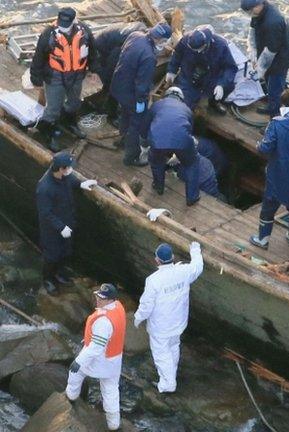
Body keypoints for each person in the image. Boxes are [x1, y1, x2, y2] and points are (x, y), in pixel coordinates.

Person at [134, 241, 203, 394]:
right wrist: (195, 249)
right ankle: (171, 375)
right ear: (173, 257)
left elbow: (146, 305)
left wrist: (138, 318)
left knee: (161, 354)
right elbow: (198, 266)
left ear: (157, 260)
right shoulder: (184, 271)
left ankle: (167, 384)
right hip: (178, 322)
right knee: (173, 347)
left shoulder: (153, 280)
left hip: (160, 327)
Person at [249, 89, 289, 249]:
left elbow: (265, 148)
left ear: (283, 104)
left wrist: (259, 144)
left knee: (269, 205)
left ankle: (263, 239)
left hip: (280, 171)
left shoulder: (277, 123)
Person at [30, 7, 100, 150]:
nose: (63, 26)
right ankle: (48, 132)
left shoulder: (84, 31)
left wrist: (94, 70)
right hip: (55, 76)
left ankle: (69, 122)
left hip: (77, 75)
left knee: (74, 103)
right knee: (53, 109)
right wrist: (35, 80)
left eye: (66, 24)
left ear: (74, 20)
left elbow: (92, 51)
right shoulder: (48, 34)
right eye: (61, 23)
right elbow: (38, 58)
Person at [110, 22, 172, 167]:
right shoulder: (149, 57)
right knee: (135, 125)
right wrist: (141, 102)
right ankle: (131, 157)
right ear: (161, 40)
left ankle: (122, 139)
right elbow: (142, 84)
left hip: (118, 85)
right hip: (132, 94)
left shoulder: (135, 35)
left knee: (124, 114)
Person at [66, 283, 126, 431]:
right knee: (111, 389)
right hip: (114, 358)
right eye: (98, 296)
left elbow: (95, 347)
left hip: (100, 359)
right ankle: (113, 424)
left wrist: (78, 361)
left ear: (111, 300)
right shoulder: (119, 307)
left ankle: (71, 397)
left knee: (76, 372)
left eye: (102, 298)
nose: (98, 299)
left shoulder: (104, 322)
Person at [35, 151, 97, 294]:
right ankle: (48, 279)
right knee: (52, 255)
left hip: (68, 221)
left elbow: (72, 181)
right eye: (68, 167)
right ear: (60, 169)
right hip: (52, 229)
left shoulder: (65, 177)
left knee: (66, 251)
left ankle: (59, 273)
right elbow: (45, 213)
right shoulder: (45, 188)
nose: (71, 169)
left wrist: (82, 184)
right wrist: (60, 227)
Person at [144, 87, 200, 206]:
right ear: (181, 99)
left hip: (157, 140)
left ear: (166, 95)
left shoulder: (157, 104)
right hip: (182, 141)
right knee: (192, 163)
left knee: (156, 161)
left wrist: (145, 140)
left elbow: (146, 123)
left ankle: (158, 186)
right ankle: (192, 197)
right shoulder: (187, 110)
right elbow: (190, 129)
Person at [241, 0, 289, 117]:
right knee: (270, 82)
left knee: (275, 88)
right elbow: (253, 31)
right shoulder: (258, 13)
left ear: (257, 6)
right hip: (269, 53)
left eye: (250, 11)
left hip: (281, 59)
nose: (249, 14)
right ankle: (271, 105)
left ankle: (275, 117)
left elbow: (271, 51)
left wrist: (259, 70)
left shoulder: (273, 22)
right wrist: (253, 51)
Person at [165, 25, 237, 113]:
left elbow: (230, 67)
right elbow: (177, 55)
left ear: (206, 44)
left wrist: (222, 84)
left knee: (228, 85)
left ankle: (214, 103)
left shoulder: (221, 46)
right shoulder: (185, 39)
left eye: (197, 49)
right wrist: (172, 70)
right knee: (185, 105)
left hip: (211, 76)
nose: (195, 51)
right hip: (189, 76)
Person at [92, 22, 147, 125]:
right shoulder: (125, 42)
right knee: (112, 82)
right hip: (99, 48)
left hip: (108, 41)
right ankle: (110, 114)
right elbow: (113, 64)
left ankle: (104, 102)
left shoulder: (141, 28)